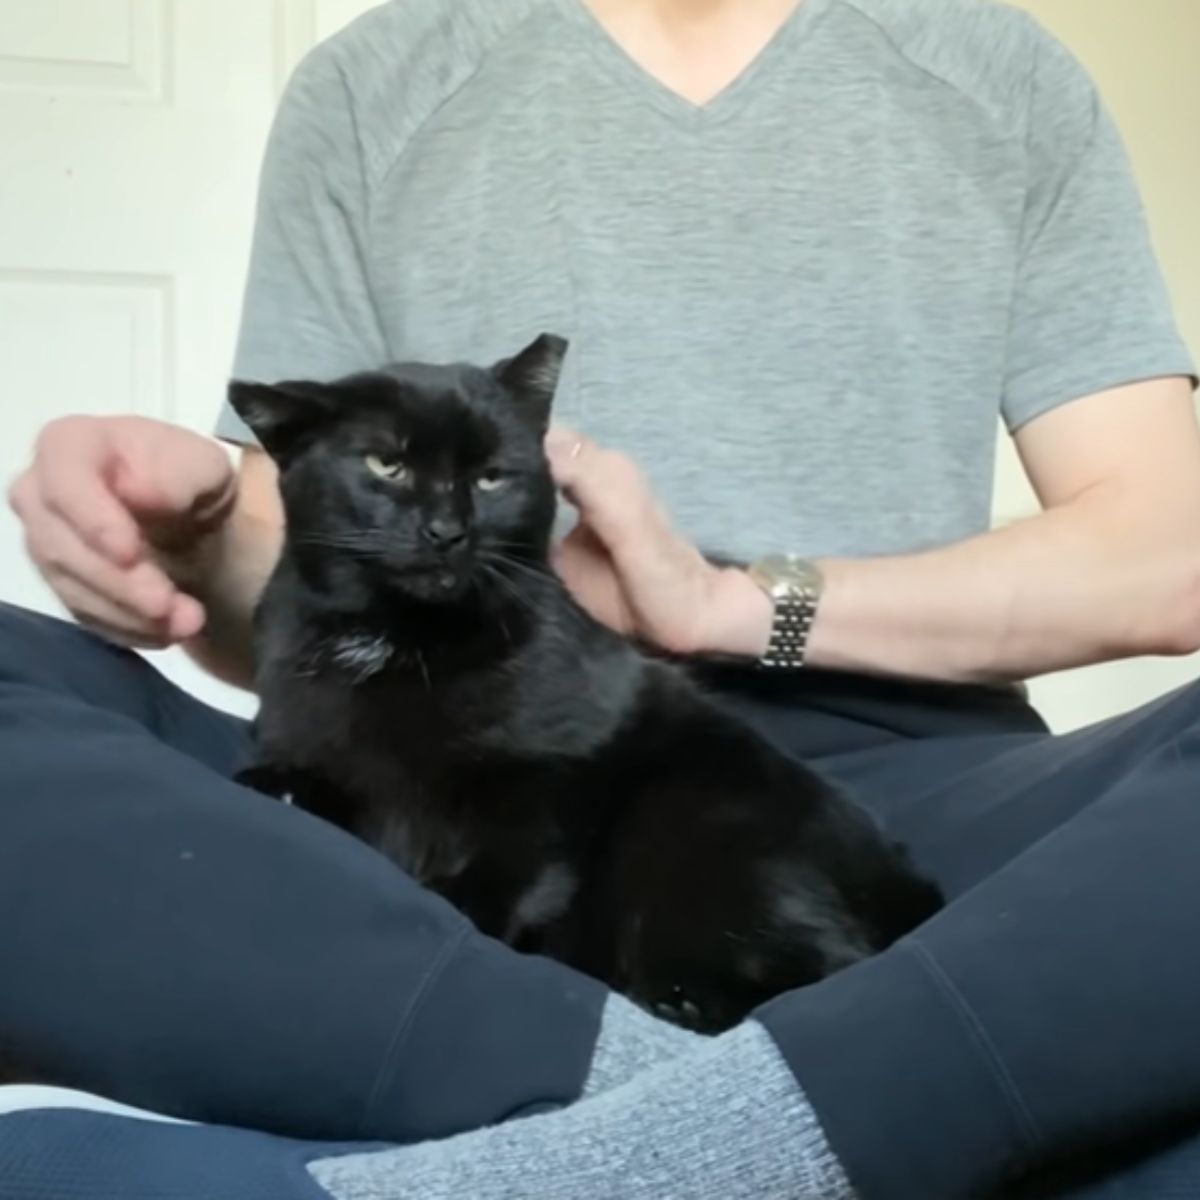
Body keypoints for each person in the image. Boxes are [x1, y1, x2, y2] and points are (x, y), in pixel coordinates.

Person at [2, 0, 1199, 1196]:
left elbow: (1171, 553)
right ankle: (786, 1118)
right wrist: (194, 528)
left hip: (891, 808)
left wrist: (728, 609)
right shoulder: (374, 83)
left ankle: (551, 1141)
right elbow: (295, 601)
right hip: (465, 780)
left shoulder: (998, 74)